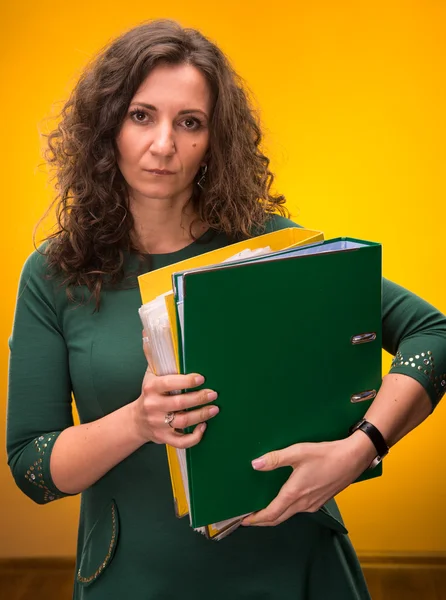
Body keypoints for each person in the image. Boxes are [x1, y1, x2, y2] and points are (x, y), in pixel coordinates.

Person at [6, 19, 446, 600]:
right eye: (142, 116)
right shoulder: (52, 273)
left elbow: (432, 333)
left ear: (216, 140)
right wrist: (138, 422)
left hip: (297, 570)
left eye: (190, 123)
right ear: (106, 124)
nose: (164, 144)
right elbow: (32, 464)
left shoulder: (275, 250)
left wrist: (361, 447)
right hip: (134, 578)